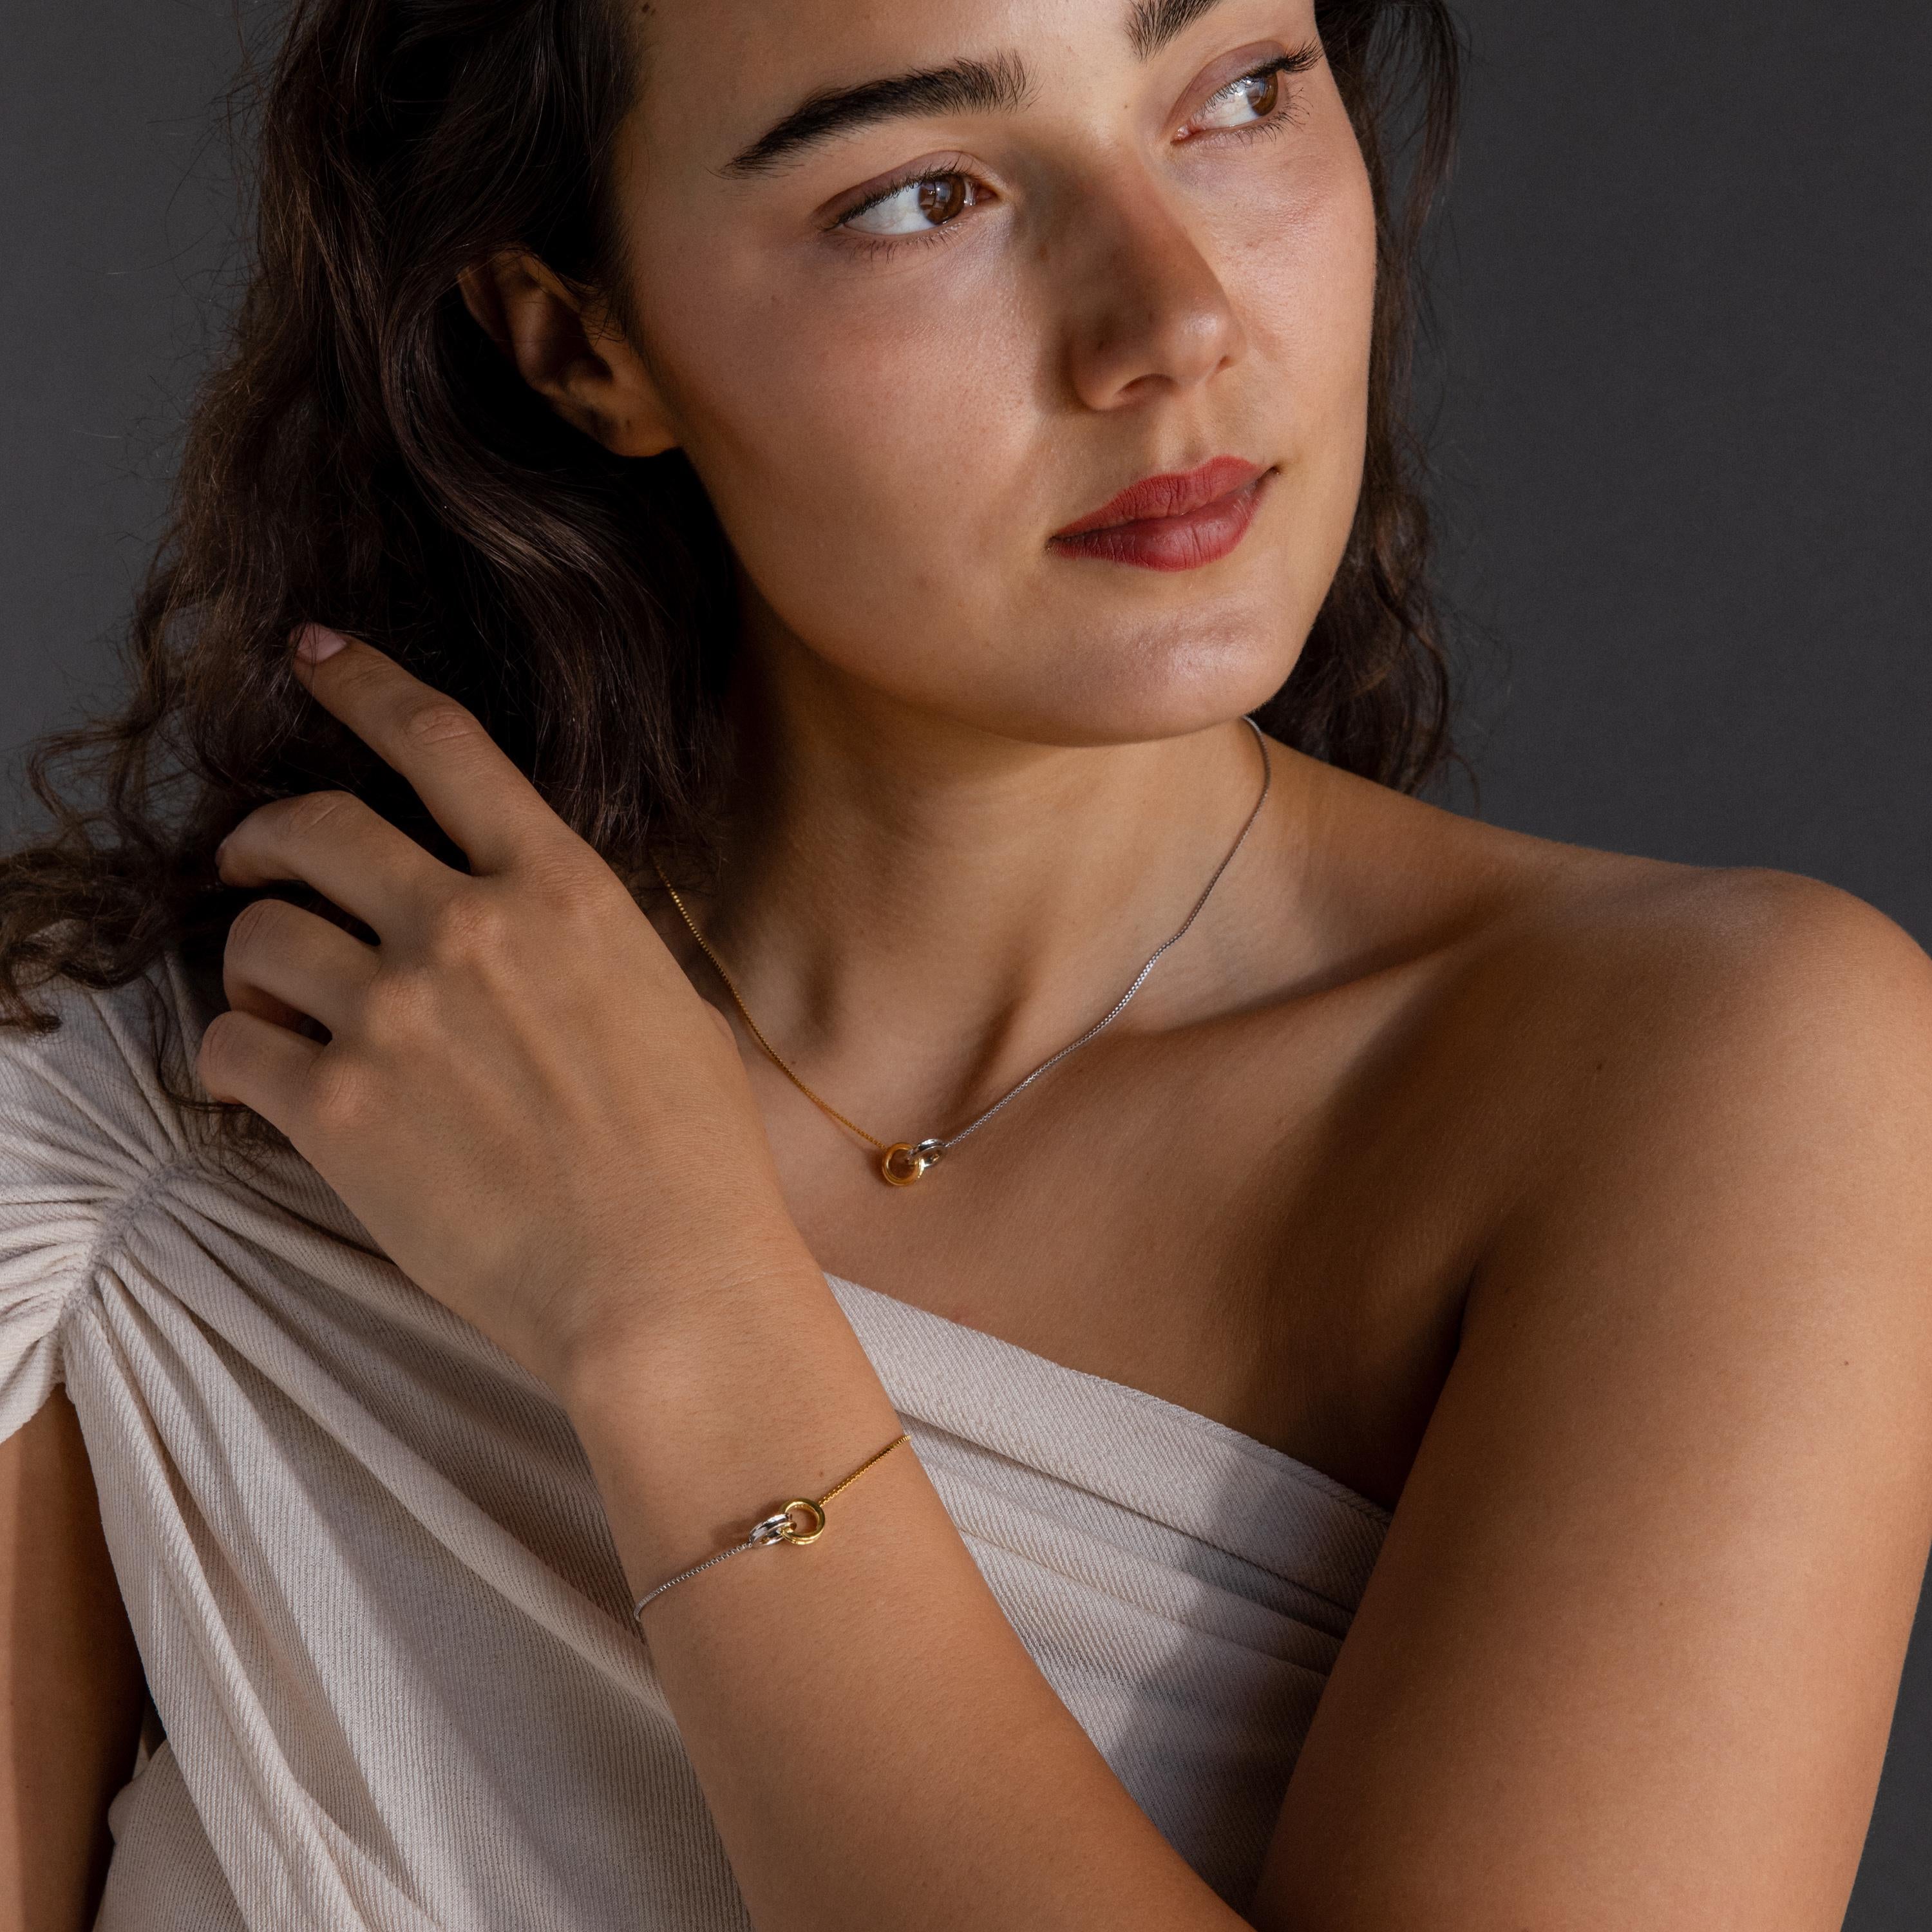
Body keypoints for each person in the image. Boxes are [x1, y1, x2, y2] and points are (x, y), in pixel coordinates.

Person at [3, 0, 1929, 1926]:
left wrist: (677, 1315)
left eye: (1239, 93)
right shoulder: (152, 1165)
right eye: (925, 193)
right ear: (584, 341)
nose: (1174, 320)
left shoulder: (1727, 1081)